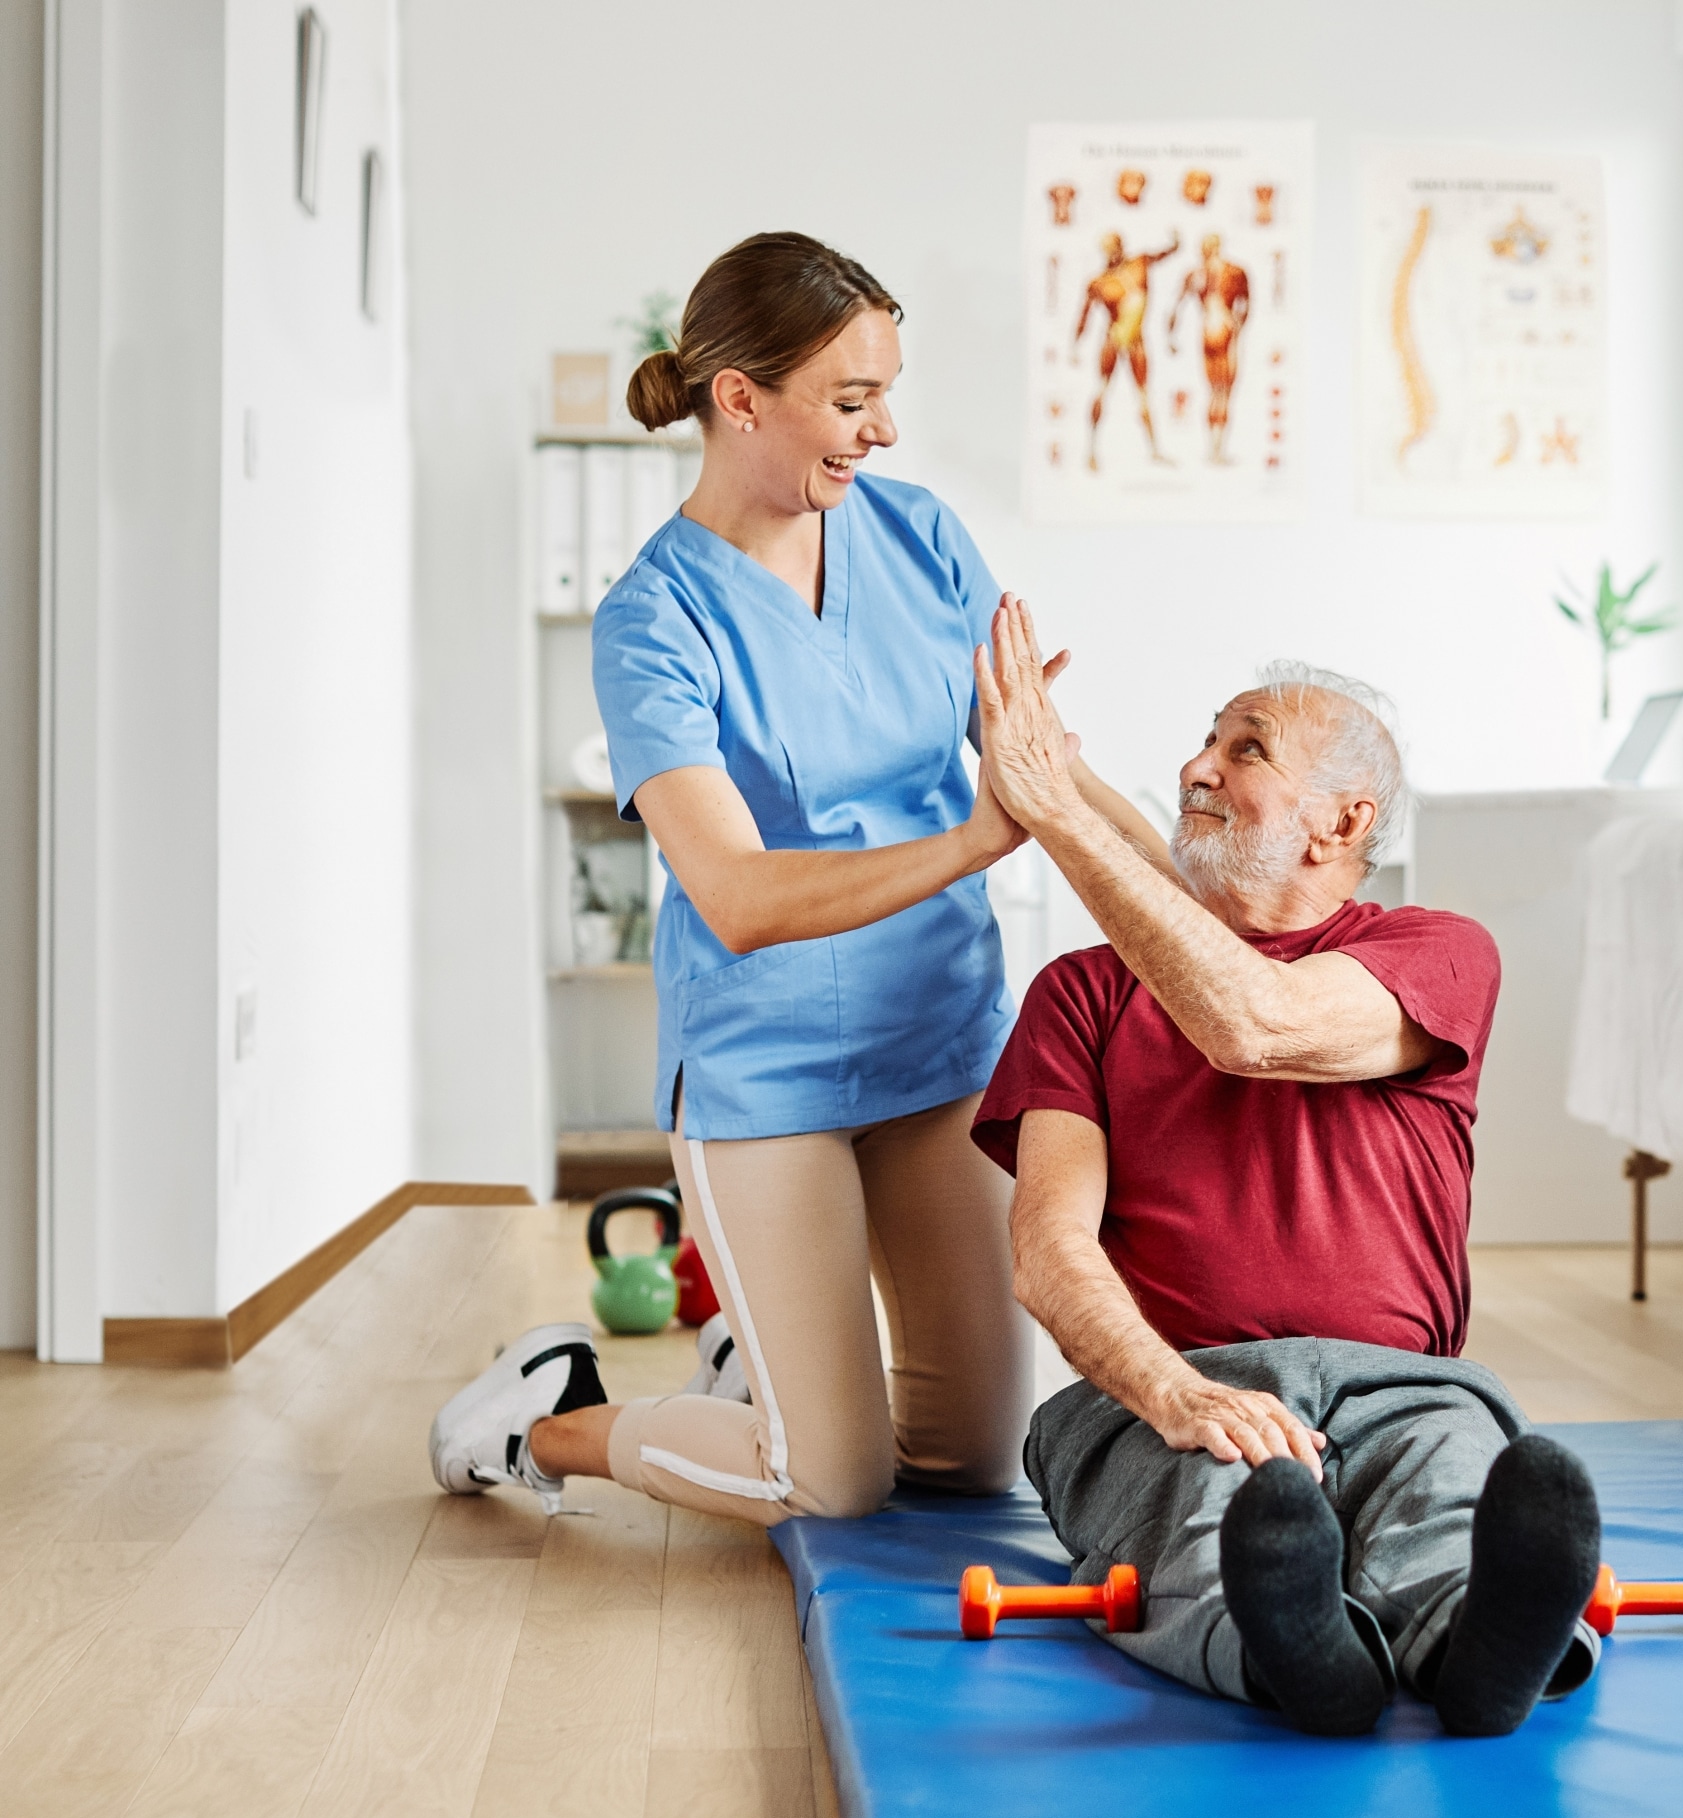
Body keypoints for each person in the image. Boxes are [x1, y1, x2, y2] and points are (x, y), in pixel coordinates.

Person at [429, 233, 1166, 1527]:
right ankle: (542, 1418)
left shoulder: (923, 537)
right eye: (851, 397)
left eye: (889, 389)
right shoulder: (654, 618)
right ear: (740, 396)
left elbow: (1039, 763)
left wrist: (1198, 902)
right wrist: (978, 839)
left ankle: (750, 1363)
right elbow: (741, 896)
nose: (884, 427)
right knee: (831, 1475)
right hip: (766, 1072)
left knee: (969, 1455)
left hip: (939, 1045)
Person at [965, 605, 1604, 1739]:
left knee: (1447, 1494)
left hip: (1404, 1385)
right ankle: (1296, 1658)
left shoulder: (1434, 951)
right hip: (1167, 1390)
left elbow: (1253, 1022)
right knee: (1219, 1513)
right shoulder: (1081, 993)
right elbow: (1050, 1250)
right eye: (1205, 740)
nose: (1194, 766)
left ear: (1342, 819)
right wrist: (1173, 1391)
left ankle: (1480, 1647)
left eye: (1245, 748)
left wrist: (1059, 803)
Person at [1074, 230, 1182, 469]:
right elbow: (1084, 316)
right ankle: (1090, 450)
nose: (1111, 253)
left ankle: (1155, 450)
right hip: (1113, 339)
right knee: (1101, 389)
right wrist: (1075, 344)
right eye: (1107, 249)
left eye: (1114, 247)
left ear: (1121, 247)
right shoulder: (1099, 282)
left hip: (1136, 341)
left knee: (1143, 394)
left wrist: (1175, 245)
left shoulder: (1139, 264)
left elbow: (1160, 256)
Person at [1167, 231, 1251, 464]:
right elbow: (1245, 305)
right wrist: (1237, 326)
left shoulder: (1199, 274)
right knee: (1223, 392)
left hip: (1208, 329)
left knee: (1215, 392)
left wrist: (1171, 337)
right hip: (1223, 328)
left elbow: (1176, 308)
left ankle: (1213, 450)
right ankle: (1217, 450)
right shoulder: (1232, 271)